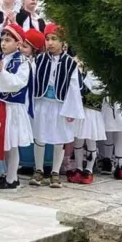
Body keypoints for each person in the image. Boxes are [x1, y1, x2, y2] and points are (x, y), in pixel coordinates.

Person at [0, 24, 35, 190]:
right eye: (2, 40)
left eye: (8, 40)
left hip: (13, 108)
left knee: (12, 143)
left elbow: (17, 84)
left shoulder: (23, 62)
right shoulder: (0, 60)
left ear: (18, 44)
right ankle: (4, 175)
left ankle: (12, 178)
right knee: (2, 141)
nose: (3, 43)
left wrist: (1, 73)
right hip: (1, 106)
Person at [31, 23, 84, 187]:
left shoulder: (70, 63)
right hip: (42, 102)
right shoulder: (39, 59)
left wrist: (72, 110)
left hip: (61, 105)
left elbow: (75, 88)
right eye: (47, 39)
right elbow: (31, 81)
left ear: (63, 42)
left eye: (54, 39)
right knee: (39, 135)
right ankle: (38, 170)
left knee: (59, 138)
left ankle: (55, 172)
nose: (50, 43)